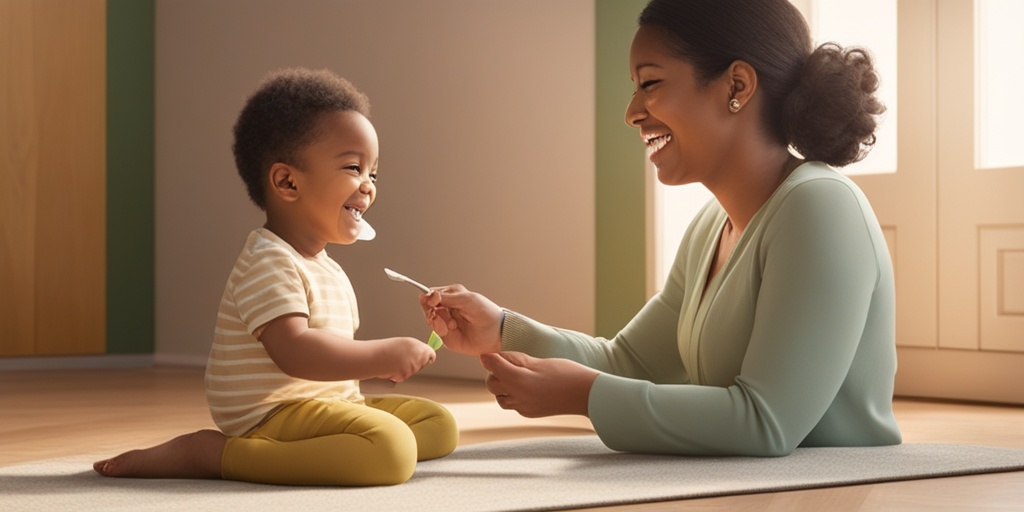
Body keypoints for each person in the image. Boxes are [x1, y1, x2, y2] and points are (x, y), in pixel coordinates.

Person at [420, 0, 902, 457]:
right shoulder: (711, 227)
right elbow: (627, 363)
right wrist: (503, 330)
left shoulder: (820, 206)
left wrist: (586, 396)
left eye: (649, 84)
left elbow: (767, 420)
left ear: (736, 86)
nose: (632, 112)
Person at [94, 68, 458, 485]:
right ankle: (216, 454)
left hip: (325, 402)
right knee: (391, 450)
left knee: (437, 424)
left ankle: (332, 450)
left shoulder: (327, 268)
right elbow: (296, 352)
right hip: (272, 413)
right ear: (287, 181)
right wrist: (383, 355)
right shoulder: (267, 261)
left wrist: (415, 347)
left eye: (373, 174)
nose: (369, 186)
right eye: (355, 168)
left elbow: (334, 358)